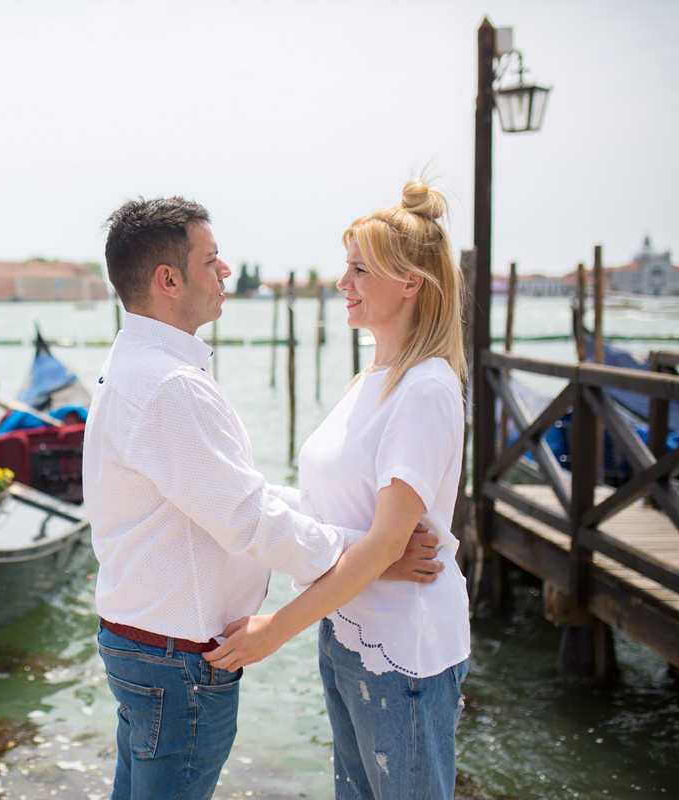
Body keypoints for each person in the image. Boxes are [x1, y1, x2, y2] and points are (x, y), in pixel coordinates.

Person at [85, 196, 444, 800]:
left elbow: (234, 497)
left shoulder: (138, 364)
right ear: (167, 280)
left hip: (146, 643)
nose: (226, 271)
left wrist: (357, 543)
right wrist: (372, 552)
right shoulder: (170, 386)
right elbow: (247, 519)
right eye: (212, 260)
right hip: (178, 659)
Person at [204, 178, 470, 800]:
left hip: (405, 650)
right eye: (344, 267)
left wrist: (274, 631)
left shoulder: (426, 388)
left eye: (359, 269)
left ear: (411, 283)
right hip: (346, 630)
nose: (342, 283)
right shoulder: (370, 378)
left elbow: (385, 545)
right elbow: (330, 509)